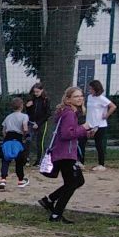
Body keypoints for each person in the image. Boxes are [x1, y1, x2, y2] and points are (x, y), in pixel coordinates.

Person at [38, 86, 90, 223]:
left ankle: (49, 200)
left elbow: (69, 132)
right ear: (68, 99)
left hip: (65, 152)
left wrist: (84, 132)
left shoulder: (68, 112)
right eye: (76, 96)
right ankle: (56, 214)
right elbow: (66, 134)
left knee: (77, 181)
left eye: (81, 96)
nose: (80, 98)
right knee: (72, 183)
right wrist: (83, 128)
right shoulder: (69, 114)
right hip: (65, 154)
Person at [0, 97, 32, 188]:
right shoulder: (24, 116)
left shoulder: (8, 117)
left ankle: (3, 179)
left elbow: (4, 130)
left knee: (5, 159)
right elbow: (25, 127)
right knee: (19, 160)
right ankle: (20, 180)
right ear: (22, 106)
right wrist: (25, 136)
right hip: (18, 139)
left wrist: (6, 138)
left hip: (8, 139)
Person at [84, 79, 116, 169]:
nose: (90, 90)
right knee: (82, 142)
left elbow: (113, 106)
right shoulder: (89, 97)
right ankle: (81, 162)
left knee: (99, 145)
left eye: (91, 89)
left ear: (96, 89)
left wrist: (106, 115)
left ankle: (101, 164)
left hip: (99, 125)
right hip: (88, 124)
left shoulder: (102, 98)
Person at [24, 82, 51, 165]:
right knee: (28, 139)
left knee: (40, 142)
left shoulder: (46, 100)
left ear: (42, 90)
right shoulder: (31, 98)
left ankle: (39, 161)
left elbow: (48, 114)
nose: (35, 93)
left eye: (37, 92)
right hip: (31, 122)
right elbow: (28, 112)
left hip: (41, 123)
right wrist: (27, 107)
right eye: (34, 92)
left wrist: (38, 123)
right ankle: (26, 159)